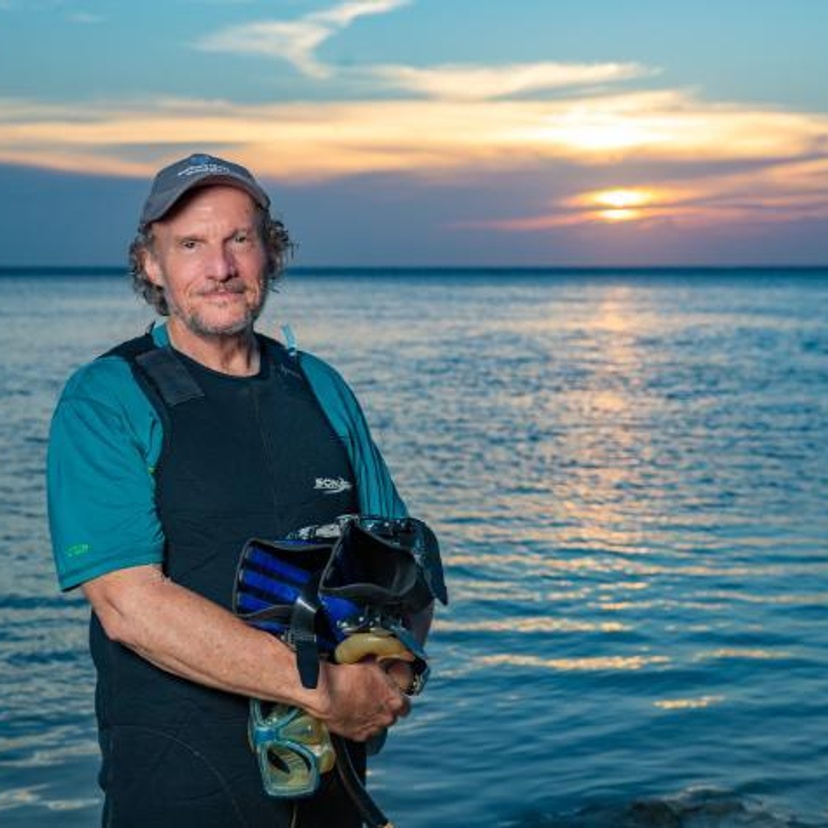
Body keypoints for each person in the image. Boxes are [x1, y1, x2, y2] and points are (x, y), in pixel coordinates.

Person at [47, 153, 433, 827]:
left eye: (240, 240)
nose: (220, 268)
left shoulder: (318, 386)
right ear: (151, 265)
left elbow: (402, 567)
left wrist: (388, 683)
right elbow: (130, 606)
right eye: (191, 244)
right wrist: (324, 689)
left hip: (331, 795)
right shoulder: (106, 398)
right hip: (178, 797)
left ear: (269, 253)